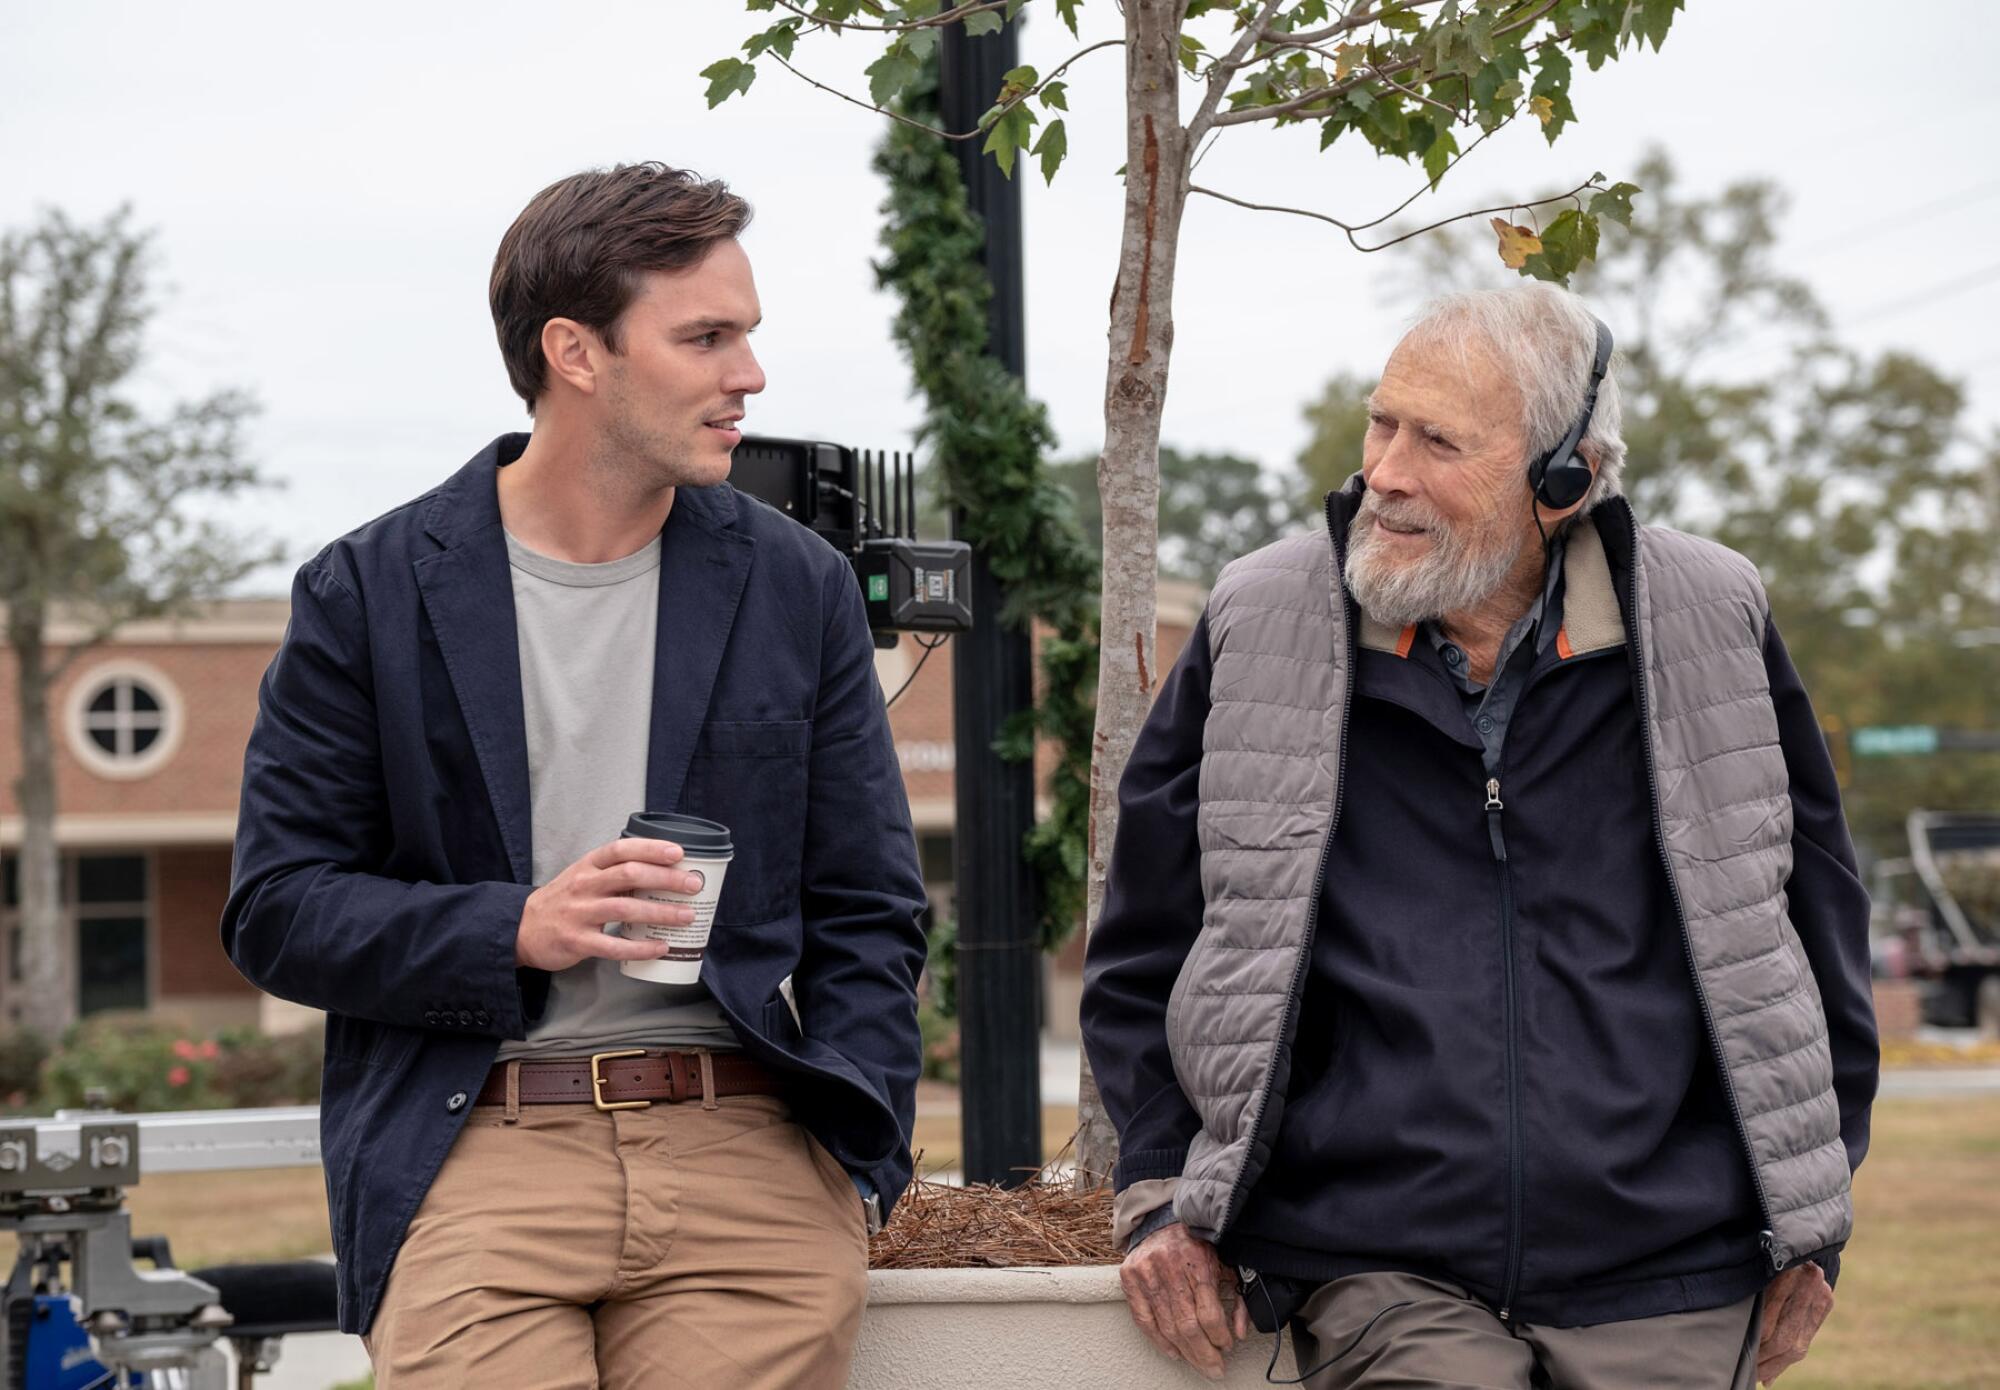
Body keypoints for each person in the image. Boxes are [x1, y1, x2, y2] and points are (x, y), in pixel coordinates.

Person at [1080, 283, 1877, 1389]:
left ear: (1564, 482)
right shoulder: (1258, 617)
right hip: (1375, 1256)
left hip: (1668, 1266)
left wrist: (1810, 1211)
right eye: (1382, 423)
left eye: (1438, 441)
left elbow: (1811, 920)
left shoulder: (1711, 614)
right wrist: (1163, 1187)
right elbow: (1146, 940)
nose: (1384, 473)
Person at [223, 163, 927, 1389]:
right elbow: (277, 905)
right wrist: (519, 928)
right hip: (476, 1146)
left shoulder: (794, 584)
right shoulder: (369, 592)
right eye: (705, 337)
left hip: (743, 1152)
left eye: (747, 335)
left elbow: (869, 904)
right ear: (576, 352)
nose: (747, 375)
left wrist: (860, 1155)